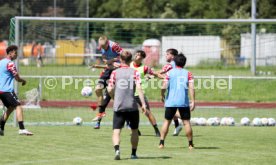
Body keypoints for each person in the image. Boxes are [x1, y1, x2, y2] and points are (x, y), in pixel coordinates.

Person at [107, 50, 149, 160]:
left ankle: (117, 150)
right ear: (131, 60)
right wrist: (143, 104)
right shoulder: (135, 72)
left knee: (116, 131)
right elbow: (139, 88)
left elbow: (110, 88)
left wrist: (114, 98)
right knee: (134, 130)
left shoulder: (115, 72)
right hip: (132, 106)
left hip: (119, 106)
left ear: (121, 59)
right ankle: (133, 154)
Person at [159, 53, 195, 149]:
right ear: (184, 63)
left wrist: (162, 95)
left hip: (170, 101)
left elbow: (164, 86)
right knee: (186, 122)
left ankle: (161, 143)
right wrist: (193, 101)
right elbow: (191, 88)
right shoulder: (188, 73)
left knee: (167, 121)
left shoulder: (169, 73)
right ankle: (190, 144)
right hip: (183, 102)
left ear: (174, 62)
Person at [0, 45, 33, 136]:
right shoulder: (10, 63)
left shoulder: (1, 62)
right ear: (10, 53)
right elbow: (17, 78)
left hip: (1, 91)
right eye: (15, 53)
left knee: (10, 108)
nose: (16, 55)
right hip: (7, 90)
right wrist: (23, 81)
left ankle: (1, 128)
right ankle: (22, 129)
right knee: (18, 106)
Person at [92, 35, 123, 129]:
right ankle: (101, 112)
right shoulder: (101, 47)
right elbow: (104, 59)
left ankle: (126, 118)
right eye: (100, 47)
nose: (102, 48)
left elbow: (124, 55)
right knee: (97, 89)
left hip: (117, 70)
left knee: (109, 93)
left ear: (107, 43)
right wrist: (110, 61)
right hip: (108, 69)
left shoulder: (114, 46)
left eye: (103, 47)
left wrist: (115, 62)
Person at [129, 50, 160, 137]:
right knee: (128, 113)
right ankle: (136, 130)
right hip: (129, 93)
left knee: (147, 112)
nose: (136, 56)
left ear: (142, 58)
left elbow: (154, 74)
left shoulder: (144, 68)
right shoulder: (129, 64)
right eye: (136, 54)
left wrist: (162, 76)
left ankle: (156, 130)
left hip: (139, 93)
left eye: (139, 55)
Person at [157, 48, 183, 136]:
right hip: (179, 89)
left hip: (173, 90)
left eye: (167, 54)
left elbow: (160, 72)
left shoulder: (170, 65)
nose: (166, 56)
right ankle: (177, 126)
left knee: (170, 109)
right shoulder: (177, 64)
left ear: (172, 56)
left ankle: (185, 118)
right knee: (171, 108)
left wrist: (151, 73)